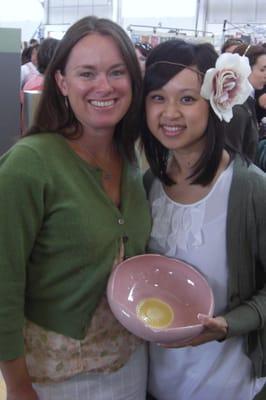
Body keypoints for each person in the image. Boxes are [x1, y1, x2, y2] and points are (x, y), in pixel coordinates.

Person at [0, 16, 151, 400]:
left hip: (131, 363)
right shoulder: (29, 163)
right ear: (62, 83)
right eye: (87, 73)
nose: (104, 86)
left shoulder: (132, 157)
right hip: (54, 375)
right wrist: (17, 385)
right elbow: (3, 282)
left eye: (117, 72)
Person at [141, 39, 266, 400]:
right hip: (154, 384)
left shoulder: (251, 190)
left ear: (215, 101)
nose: (169, 113)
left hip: (229, 386)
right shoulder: (146, 187)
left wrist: (230, 324)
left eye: (186, 98)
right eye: (157, 97)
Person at [224, 44, 266, 162]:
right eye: (262, 69)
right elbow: (233, 153)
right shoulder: (237, 106)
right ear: (245, 69)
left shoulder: (247, 98)